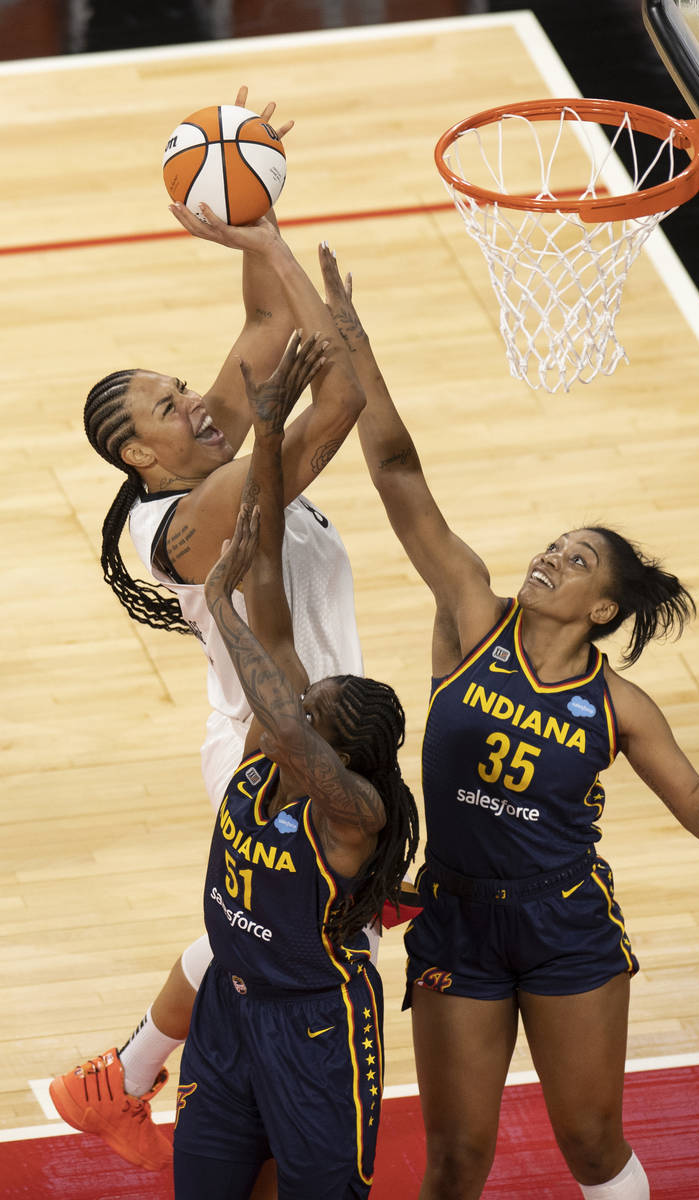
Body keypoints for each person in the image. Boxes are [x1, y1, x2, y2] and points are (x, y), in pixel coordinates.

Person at [318, 246, 699, 1200]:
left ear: (604, 610)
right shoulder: (473, 617)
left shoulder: (618, 707)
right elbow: (395, 469)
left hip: (565, 922)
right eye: (557, 543)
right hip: (458, 914)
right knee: (454, 1159)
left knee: (592, 1142)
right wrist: (358, 349)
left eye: (578, 557)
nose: (554, 554)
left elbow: (695, 801)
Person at [49, 90, 369, 1174]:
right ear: (141, 458)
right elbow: (335, 401)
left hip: (319, 724)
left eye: (184, 386)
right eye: (168, 404)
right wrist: (273, 235)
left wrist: (246, 202)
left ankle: (121, 1081)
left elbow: (270, 330)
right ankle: (134, 1083)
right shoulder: (189, 519)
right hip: (269, 747)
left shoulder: (206, 461)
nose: (195, 398)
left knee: (293, 932)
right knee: (308, 937)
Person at [172, 331, 419, 1198]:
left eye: (309, 712)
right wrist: (268, 431)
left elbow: (273, 690)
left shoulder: (352, 812)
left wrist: (219, 603)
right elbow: (268, 558)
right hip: (230, 1013)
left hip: (314, 1026)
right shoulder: (268, 753)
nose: (291, 702)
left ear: (332, 753)